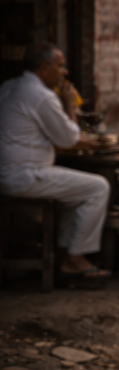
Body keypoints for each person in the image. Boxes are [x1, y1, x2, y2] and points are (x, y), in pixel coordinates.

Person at [0, 43, 111, 281]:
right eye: (60, 67)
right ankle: (76, 258)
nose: (64, 72)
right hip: (24, 177)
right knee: (98, 187)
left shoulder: (8, 87)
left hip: (8, 174)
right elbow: (68, 137)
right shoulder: (42, 95)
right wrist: (69, 103)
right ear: (43, 67)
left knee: (76, 194)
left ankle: (64, 255)